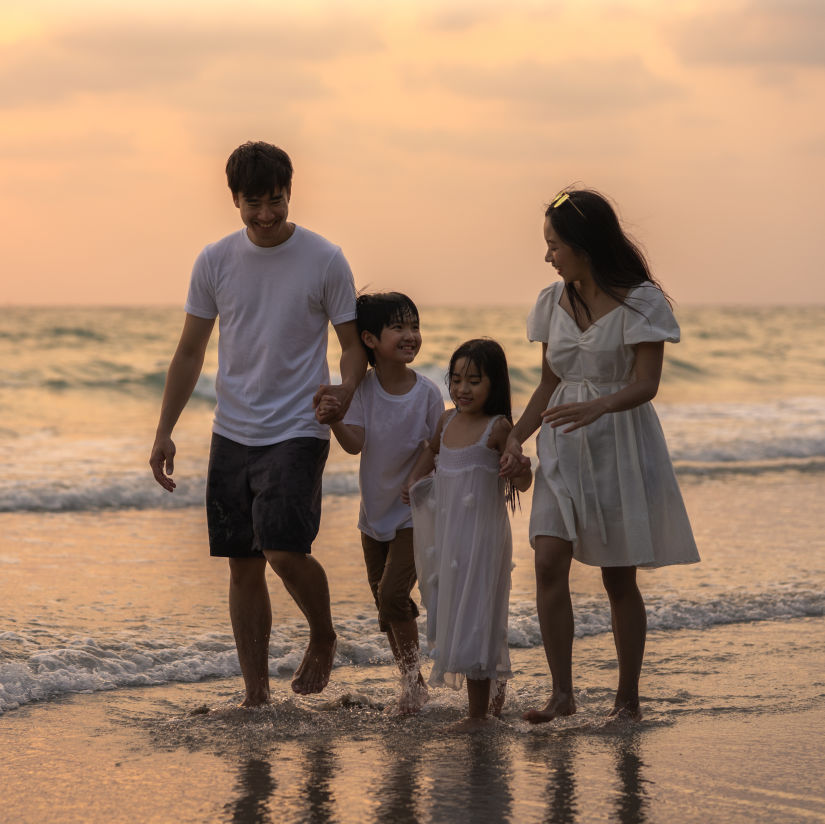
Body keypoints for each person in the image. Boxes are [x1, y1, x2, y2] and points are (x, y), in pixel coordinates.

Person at [149, 141, 367, 706]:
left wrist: (344, 393)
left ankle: (322, 633)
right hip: (232, 431)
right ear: (234, 201)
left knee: (283, 551)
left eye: (276, 200)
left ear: (289, 193)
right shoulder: (215, 261)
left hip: (298, 426)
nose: (266, 215)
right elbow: (190, 351)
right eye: (254, 204)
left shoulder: (324, 258)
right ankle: (256, 696)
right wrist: (164, 429)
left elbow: (351, 346)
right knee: (243, 566)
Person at [500, 188, 700, 723]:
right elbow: (548, 384)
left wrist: (599, 407)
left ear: (583, 245)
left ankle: (627, 698)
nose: (548, 256)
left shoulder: (641, 300)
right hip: (562, 443)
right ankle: (562, 695)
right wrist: (515, 438)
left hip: (619, 444)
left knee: (618, 578)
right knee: (546, 561)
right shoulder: (550, 301)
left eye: (554, 244)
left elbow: (647, 384)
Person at [316, 292, 444, 714]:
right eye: (399, 327)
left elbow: (440, 448)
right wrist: (334, 420)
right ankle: (413, 682)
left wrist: (420, 479)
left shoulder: (426, 394)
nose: (411, 336)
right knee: (384, 606)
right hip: (373, 515)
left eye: (415, 326)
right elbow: (356, 444)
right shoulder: (364, 391)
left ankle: (413, 683)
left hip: (414, 512)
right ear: (369, 338)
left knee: (392, 597)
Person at [406, 339, 532, 730]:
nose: (463, 388)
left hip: (483, 539)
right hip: (450, 540)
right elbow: (429, 455)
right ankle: (492, 705)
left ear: (494, 384)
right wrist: (413, 484)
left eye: (474, 380)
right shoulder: (446, 421)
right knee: (459, 611)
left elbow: (524, 483)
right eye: (456, 379)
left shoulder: (498, 428)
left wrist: (520, 468)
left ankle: (478, 716)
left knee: (479, 615)